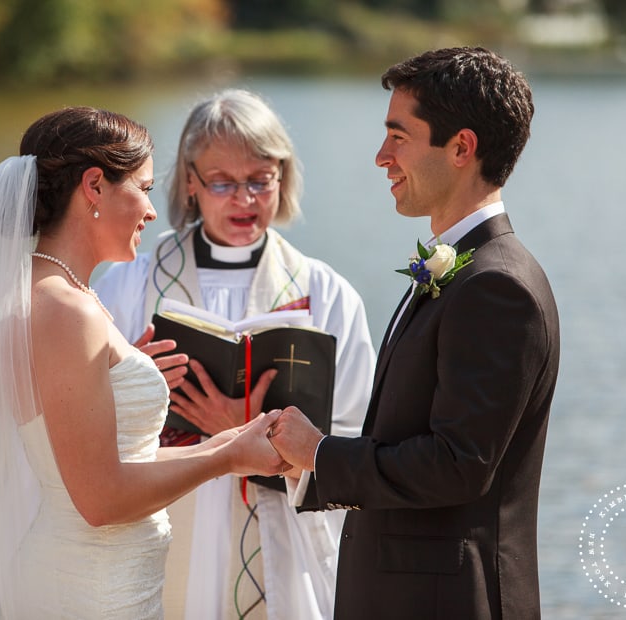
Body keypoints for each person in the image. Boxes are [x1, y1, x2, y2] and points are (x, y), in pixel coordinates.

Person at [0, 106, 288, 619]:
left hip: (101, 576)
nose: (151, 211)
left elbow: (110, 464)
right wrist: (227, 460)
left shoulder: (59, 295)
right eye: (144, 188)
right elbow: (100, 500)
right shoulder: (65, 309)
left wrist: (226, 441)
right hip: (89, 588)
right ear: (95, 187)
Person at [267, 47, 561, 619]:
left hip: (448, 602)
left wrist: (321, 454)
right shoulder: (463, 267)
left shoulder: (497, 286)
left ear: (461, 148)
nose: (381, 157)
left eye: (398, 137)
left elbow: (459, 463)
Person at [96, 89, 376, 619]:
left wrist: (246, 428)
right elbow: (83, 424)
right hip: (164, 518)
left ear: (283, 176)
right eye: (222, 182)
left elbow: (356, 443)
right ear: (190, 183)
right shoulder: (130, 283)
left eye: (259, 180)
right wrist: (129, 378)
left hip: (281, 539)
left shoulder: (326, 294)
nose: (243, 199)